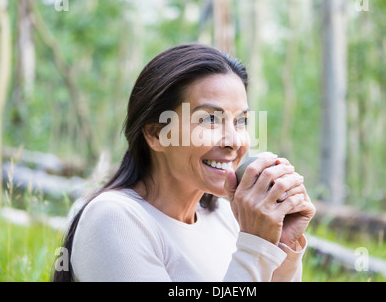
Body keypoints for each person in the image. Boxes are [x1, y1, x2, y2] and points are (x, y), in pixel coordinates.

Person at [52, 43, 315, 282]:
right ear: (156, 134)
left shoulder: (225, 217)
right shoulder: (115, 218)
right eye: (210, 119)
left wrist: (279, 245)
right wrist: (254, 245)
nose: (234, 142)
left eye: (240, 121)